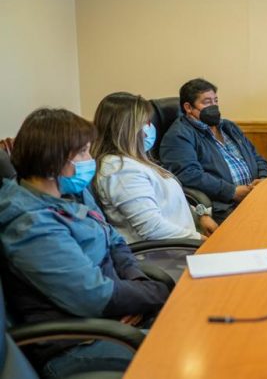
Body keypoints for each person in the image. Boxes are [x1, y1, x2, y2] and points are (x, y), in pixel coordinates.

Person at [0, 108, 169, 377]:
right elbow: (93, 296)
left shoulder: (67, 193)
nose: (90, 160)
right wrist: (160, 293)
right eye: (83, 153)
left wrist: (138, 285)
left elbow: (113, 239)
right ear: (53, 161)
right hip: (79, 342)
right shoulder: (30, 224)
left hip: (114, 319)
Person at [92, 92, 212, 242]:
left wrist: (200, 216)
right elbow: (152, 228)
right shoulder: (120, 170)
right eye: (146, 122)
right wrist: (201, 239)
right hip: (163, 255)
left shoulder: (134, 161)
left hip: (180, 243)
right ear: (129, 128)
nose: (150, 127)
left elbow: (168, 203)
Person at [160, 78, 267, 223]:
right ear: (188, 107)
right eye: (207, 102)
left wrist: (262, 179)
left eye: (215, 101)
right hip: (224, 206)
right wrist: (232, 192)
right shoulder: (179, 135)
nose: (214, 106)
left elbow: (257, 157)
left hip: (255, 196)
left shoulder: (229, 127)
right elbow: (188, 174)